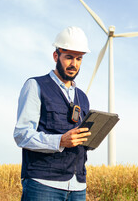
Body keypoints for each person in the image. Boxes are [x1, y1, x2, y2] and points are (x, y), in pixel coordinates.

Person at [14, 26, 92, 201]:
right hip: (43, 184)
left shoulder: (83, 98)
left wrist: (91, 139)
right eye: (69, 57)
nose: (74, 64)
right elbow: (22, 135)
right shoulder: (36, 86)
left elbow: (81, 141)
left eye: (79, 58)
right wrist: (60, 141)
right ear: (56, 56)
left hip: (78, 185)